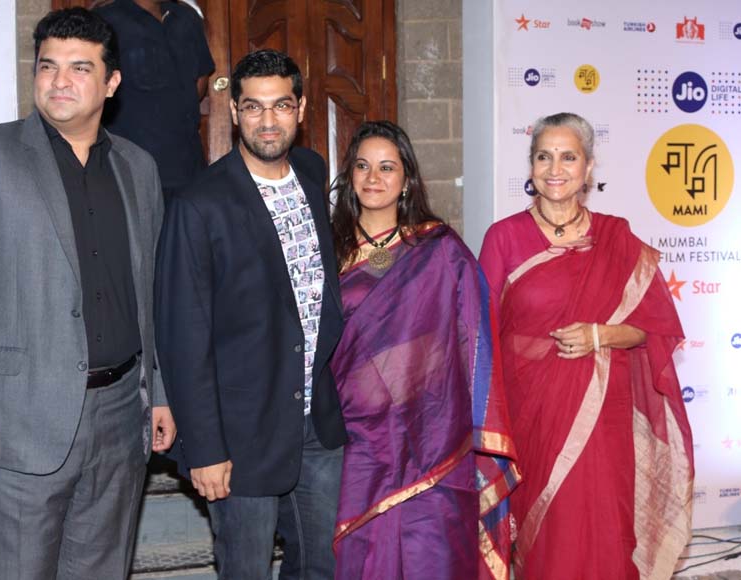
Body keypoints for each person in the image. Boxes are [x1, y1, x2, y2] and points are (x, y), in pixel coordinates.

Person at [0, 8, 175, 579]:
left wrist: (159, 392)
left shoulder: (139, 168)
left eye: (80, 68)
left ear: (111, 83)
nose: (60, 81)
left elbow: (151, 294)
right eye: (49, 65)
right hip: (11, 425)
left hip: (118, 420)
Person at [155, 49, 346, 580]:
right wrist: (206, 448)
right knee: (246, 569)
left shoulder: (310, 174)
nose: (268, 121)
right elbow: (182, 338)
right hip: (240, 435)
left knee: (318, 567)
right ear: (234, 112)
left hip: (315, 424)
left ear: (301, 108)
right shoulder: (199, 205)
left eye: (281, 105)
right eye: (253, 107)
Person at [478, 112, 693, 579]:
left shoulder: (616, 236)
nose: (556, 169)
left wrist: (600, 334)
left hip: (602, 416)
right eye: (544, 156)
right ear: (531, 166)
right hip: (529, 415)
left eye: (568, 156)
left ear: (589, 167)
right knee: (546, 539)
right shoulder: (504, 238)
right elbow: (480, 334)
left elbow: (653, 327)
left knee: (601, 527)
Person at [329, 121, 520, 580]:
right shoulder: (327, 249)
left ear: (407, 178)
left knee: (429, 554)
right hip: (354, 440)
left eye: (387, 167)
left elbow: (474, 340)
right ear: (350, 175)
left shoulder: (439, 250)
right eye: (362, 166)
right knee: (360, 554)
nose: (373, 177)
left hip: (431, 436)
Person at [94, 0, 214, 197]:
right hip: (133, 168)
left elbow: (200, 78)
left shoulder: (186, 18)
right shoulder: (106, 19)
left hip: (188, 165)